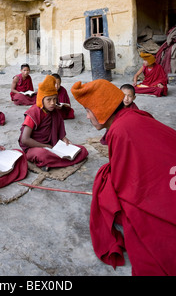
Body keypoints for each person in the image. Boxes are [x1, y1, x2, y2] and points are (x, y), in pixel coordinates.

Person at [71, 78, 176, 276]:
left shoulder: (120, 130)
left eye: (88, 110)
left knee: (104, 182)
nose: (86, 117)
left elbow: (123, 183)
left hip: (166, 179)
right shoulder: (132, 115)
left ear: (101, 110)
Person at [18, 75, 88, 171]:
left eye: (55, 99)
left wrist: (64, 139)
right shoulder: (33, 113)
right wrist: (45, 146)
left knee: (82, 150)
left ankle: (50, 163)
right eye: (49, 99)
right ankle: (52, 161)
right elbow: (25, 140)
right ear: (41, 99)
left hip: (53, 145)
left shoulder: (54, 111)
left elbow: (57, 129)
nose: (52, 103)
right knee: (43, 155)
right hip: (34, 147)